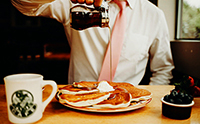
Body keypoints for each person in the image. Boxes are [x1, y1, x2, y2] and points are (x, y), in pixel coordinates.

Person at [11, 0, 174, 85]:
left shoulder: (154, 15)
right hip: (77, 105)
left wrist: (145, 102)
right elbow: (23, 4)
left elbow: (163, 69)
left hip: (129, 107)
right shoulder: (72, 3)